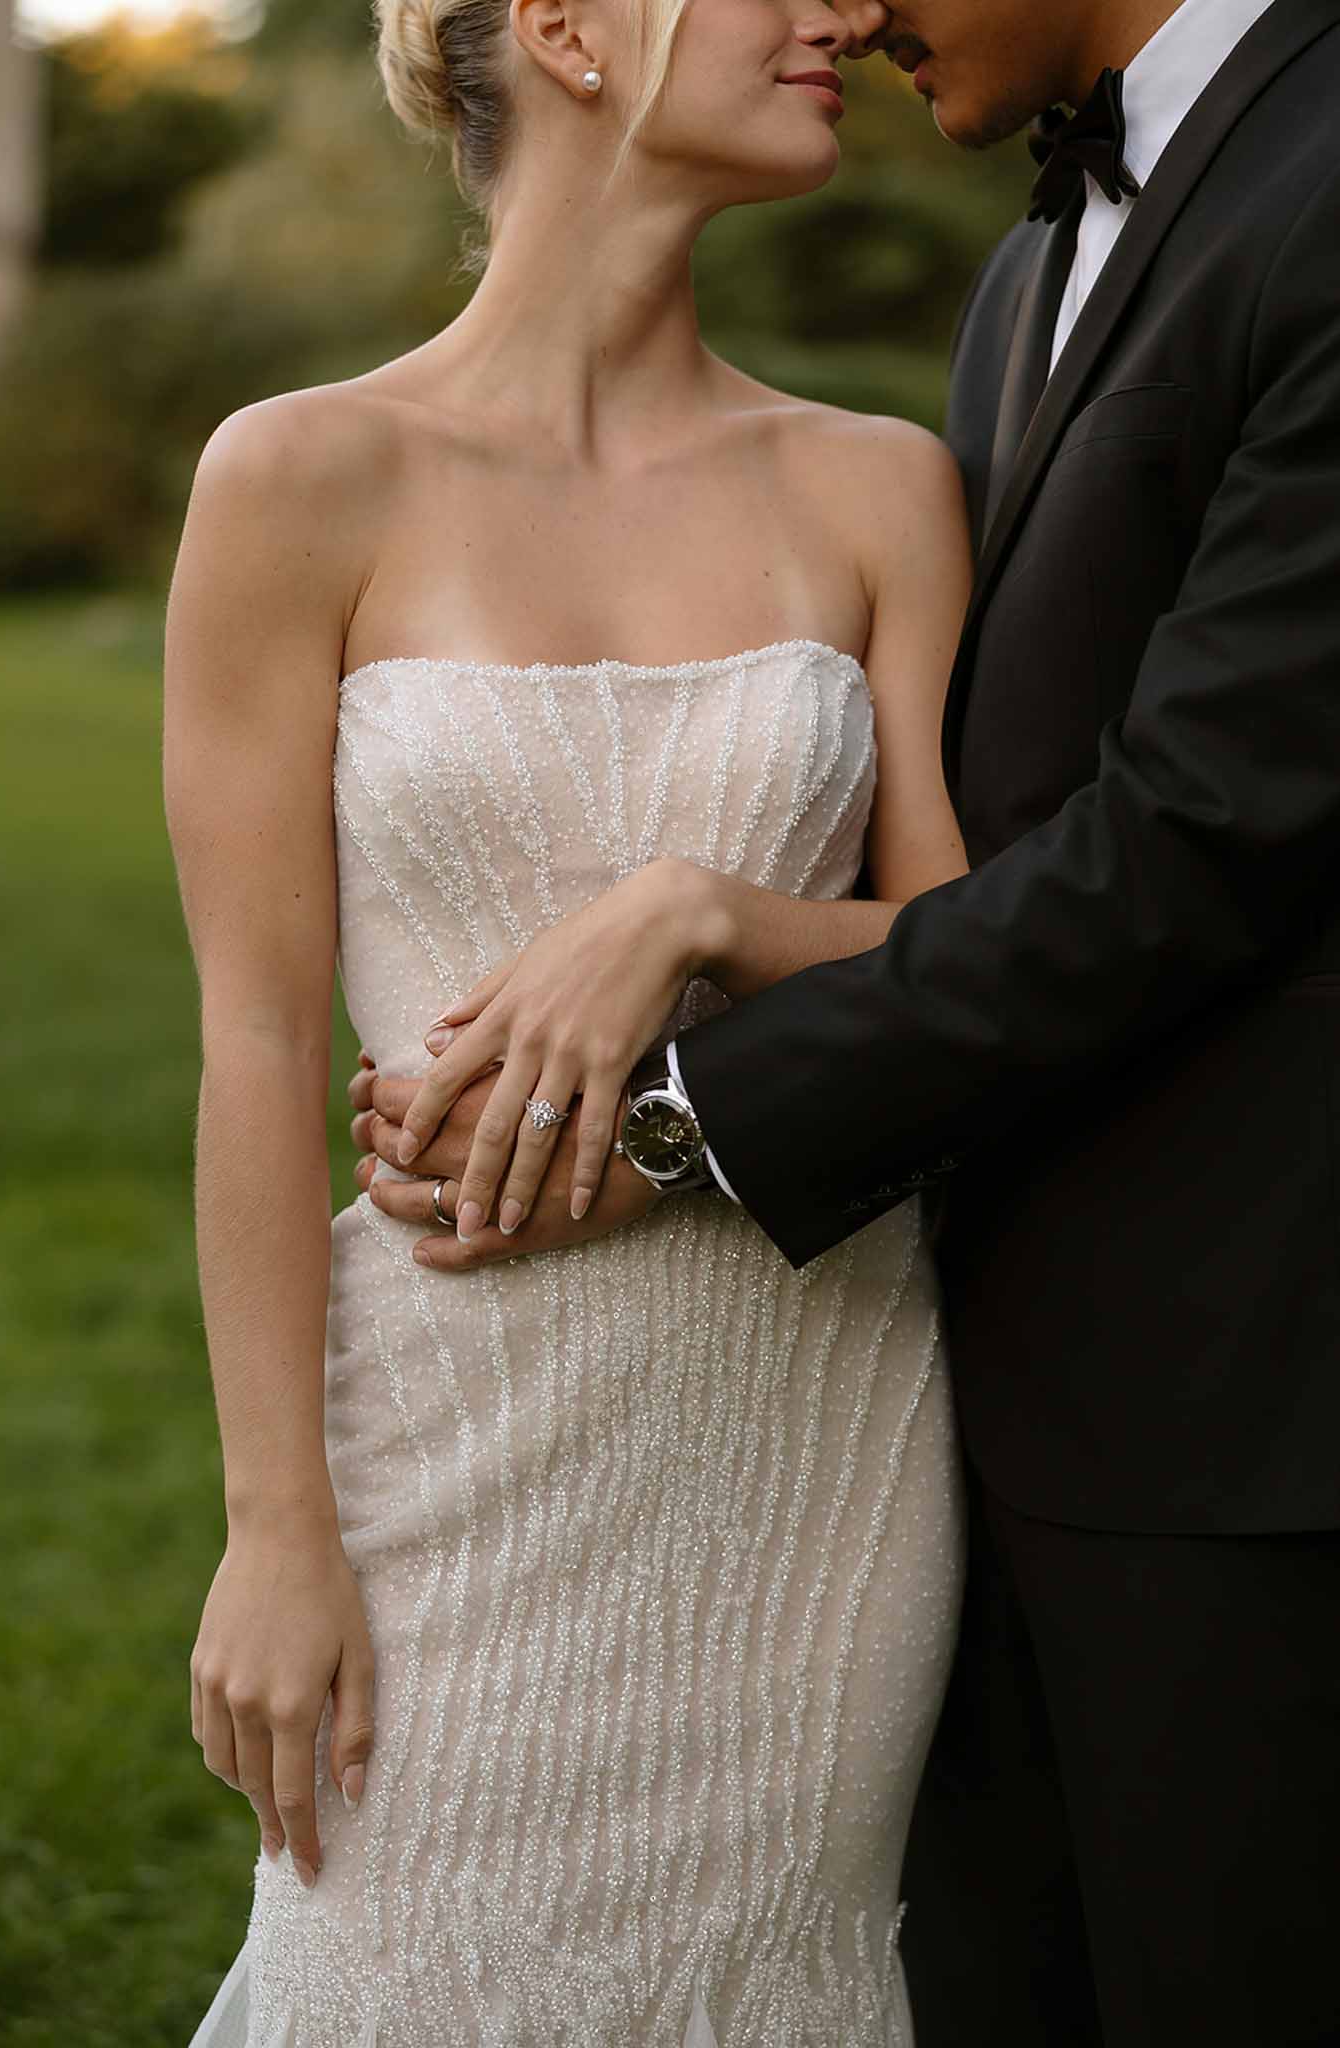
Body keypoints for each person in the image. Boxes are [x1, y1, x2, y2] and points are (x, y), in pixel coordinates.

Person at [353, 0, 1340, 2042]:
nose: (848, 6)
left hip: (1252, 1409)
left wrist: (661, 1086)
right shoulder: (1022, 266)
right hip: (962, 1397)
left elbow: (1197, 837)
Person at [171, 0, 977, 2035]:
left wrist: (690, 910)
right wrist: (275, 1532)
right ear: (559, 28)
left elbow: (972, 963)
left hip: (813, 1432)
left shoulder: (879, 485)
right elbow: (258, 1047)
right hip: (442, 1433)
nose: (840, 17)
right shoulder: (298, 477)